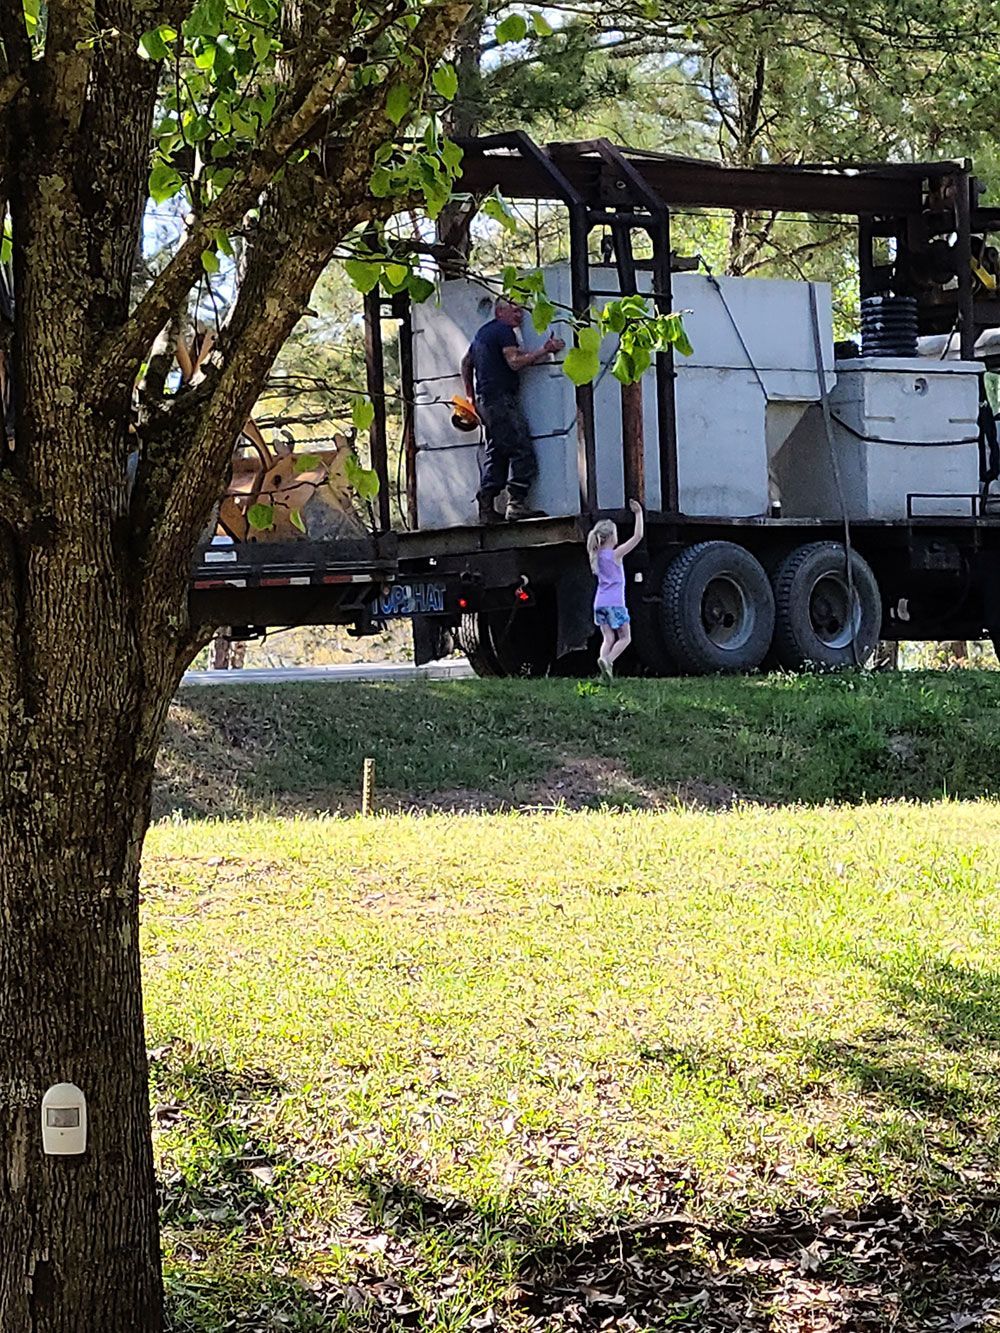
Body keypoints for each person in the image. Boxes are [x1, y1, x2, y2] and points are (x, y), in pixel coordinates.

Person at [461, 297, 565, 524]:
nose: (520, 315)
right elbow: (515, 362)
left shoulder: (483, 333)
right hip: (500, 400)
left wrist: (470, 395)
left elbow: (466, 362)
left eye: (521, 311)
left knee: (497, 452)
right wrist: (545, 350)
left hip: (485, 401)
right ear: (500, 312)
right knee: (521, 449)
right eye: (515, 311)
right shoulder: (504, 331)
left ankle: (487, 506)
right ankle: (516, 504)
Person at [587, 500, 644, 681]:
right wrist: (638, 514)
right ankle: (608, 661)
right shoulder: (615, 554)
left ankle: (604, 664)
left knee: (608, 639)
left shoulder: (596, 557)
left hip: (599, 603)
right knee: (625, 638)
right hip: (615, 604)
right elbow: (638, 536)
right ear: (611, 537)